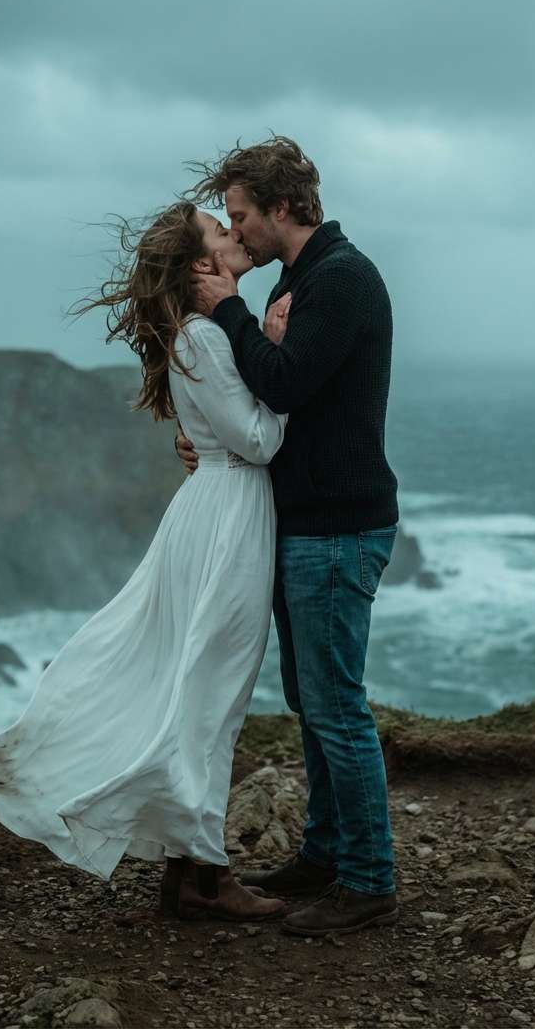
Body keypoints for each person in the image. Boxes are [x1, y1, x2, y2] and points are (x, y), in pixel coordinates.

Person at [0, 200, 293, 922]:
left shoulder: (195, 334)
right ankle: (204, 876)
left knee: (199, 691)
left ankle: (190, 869)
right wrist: (276, 354)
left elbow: (221, 431)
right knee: (212, 698)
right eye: (220, 230)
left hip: (212, 509)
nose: (233, 232)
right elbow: (258, 441)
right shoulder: (206, 336)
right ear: (202, 263)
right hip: (230, 517)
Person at [179, 135, 400, 936]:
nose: (236, 230)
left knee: (335, 705)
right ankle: (325, 853)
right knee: (313, 702)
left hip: (338, 528)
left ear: (281, 207)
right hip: (308, 523)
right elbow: (261, 395)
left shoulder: (340, 279)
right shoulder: (302, 278)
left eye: (241, 215)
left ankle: (369, 880)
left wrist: (227, 312)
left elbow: (283, 383)